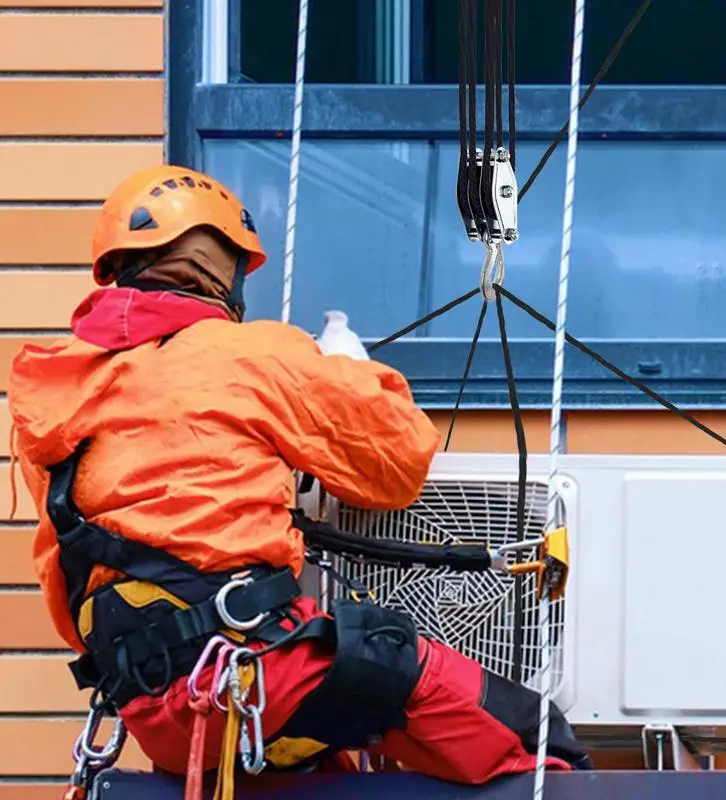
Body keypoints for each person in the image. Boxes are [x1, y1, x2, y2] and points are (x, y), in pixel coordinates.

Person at [7, 164, 591, 785]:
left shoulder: (54, 400)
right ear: (221, 269)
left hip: (157, 711)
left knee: (332, 774)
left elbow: (64, 583)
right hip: (258, 672)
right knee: (531, 739)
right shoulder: (249, 354)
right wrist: (346, 369)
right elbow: (398, 462)